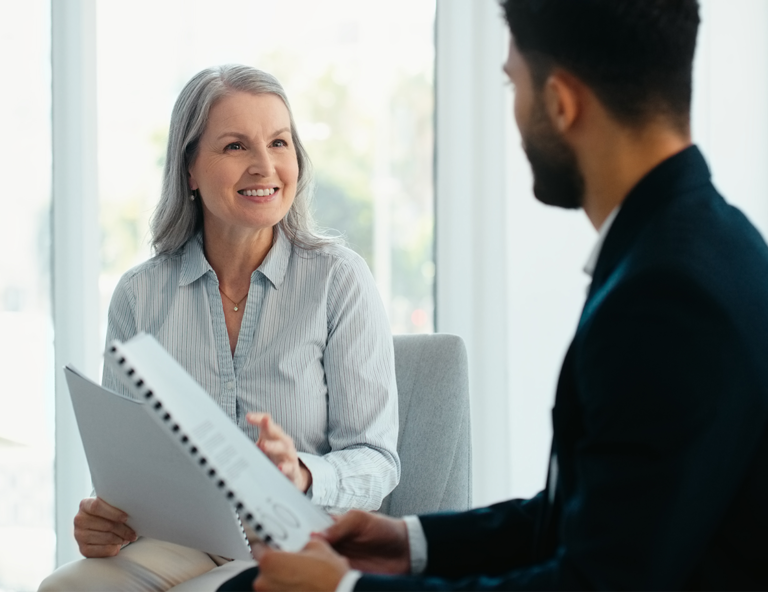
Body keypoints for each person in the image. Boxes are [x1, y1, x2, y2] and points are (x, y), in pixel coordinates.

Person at [217, 1, 768, 591]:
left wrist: (346, 589)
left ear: (562, 103)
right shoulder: (703, 244)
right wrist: (411, 543)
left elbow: (594, 583)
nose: (515, 112)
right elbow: (598, 514)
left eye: (514, 85)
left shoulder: (666, 294)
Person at [38, 65, 400, 592]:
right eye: (235, 146)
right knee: (67, 588)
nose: (264, 165)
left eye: (279, 142)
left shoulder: (338, 281)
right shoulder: (139, 295)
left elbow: (378, 462)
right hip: (181, 543)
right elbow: (123, 471)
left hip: (299, 543)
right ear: (189, 168)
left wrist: (301, 474)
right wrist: (104, 519)